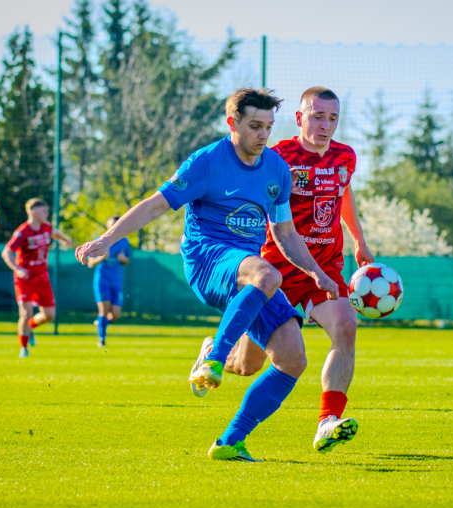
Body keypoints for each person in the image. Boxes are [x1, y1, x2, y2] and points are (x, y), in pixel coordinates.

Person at [75, 87, 338, 461]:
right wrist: (108, 239)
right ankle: (216, 357)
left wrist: (316, 272)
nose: (264, 135)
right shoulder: (207, 161)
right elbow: (155, 205)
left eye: (268, 127)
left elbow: (284, 233)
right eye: (255, 126)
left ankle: (230, 442)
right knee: (267, 275)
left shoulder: (278, 169)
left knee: (291, 358)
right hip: (207, 260)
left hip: (247, 273)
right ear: (233, 123)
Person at [191, 87, 374, 453]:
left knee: (346, 326)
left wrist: (359, 239)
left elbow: (343, 194)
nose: (325, 125)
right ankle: (213, 352)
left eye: (332, 118)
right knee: (247, 365)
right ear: (300, 118)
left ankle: (327, 421)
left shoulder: (345, 157)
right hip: (276, 267)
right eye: (317, 117)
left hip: (325, 266)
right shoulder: (278, 157)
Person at [1, 199, 73, 358]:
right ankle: (24, 348)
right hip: (25, 278)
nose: (47, 214)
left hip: (42, 277)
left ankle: (30, 327)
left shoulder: (46, 227)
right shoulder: (23, 231)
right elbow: (6, 252)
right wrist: (18, 269)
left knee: (50, 315)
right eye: (44, 211)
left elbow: (55, 232)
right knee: (25, 313)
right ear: (34, 212)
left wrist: (66, 240)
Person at [88, 215, 132, 347]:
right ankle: (101, 340)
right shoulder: (99, 241)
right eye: (113, 224)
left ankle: (101, 323)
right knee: (104, 311)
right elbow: (90, 263)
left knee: (115, 315)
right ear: (108, 226)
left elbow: (127, 261)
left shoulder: (124, 241)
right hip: (103, 281)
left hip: (117, 282)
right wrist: (101, 258)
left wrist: (123, 259)